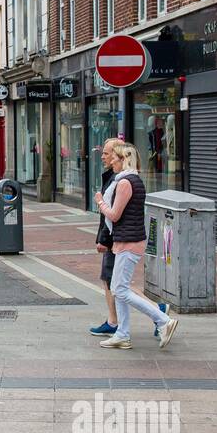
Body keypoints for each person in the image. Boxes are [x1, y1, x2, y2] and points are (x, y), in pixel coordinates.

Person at [94, 143, 179, 351]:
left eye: (115, 158)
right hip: (127, 240)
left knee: (120, 290)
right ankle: (122, 335)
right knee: (118, 288)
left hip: (129, 242)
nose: (112, 162)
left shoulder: (125, 183)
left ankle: (162, 320)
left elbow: (114, 215)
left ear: (124, 160)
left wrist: (100, 202)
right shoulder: (133, 180)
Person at [89, 139, 122, 337]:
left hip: (115, 239)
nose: (102, 156)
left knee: (114, 281)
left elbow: (110, 214)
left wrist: (104, 239)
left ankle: (157, 310)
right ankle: (113, 320)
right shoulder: (113, 177)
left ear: (117, 156)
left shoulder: (118, 180)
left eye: (107, 153)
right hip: (116, 238)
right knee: (111, 280)